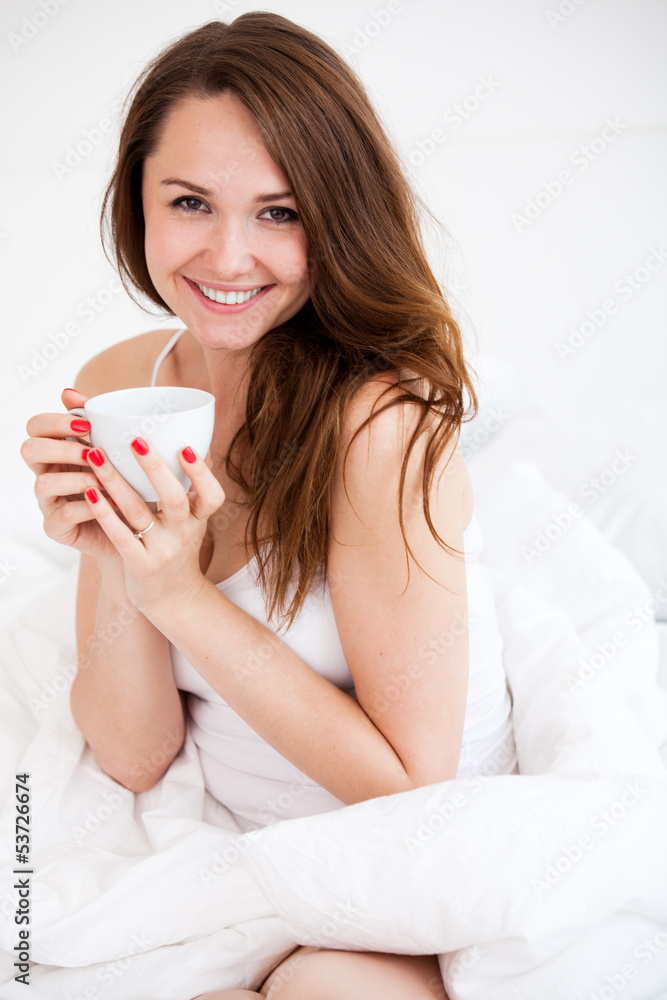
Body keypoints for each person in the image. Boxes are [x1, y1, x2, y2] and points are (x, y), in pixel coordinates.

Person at [20, 12, 517, 999]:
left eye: (279, 213)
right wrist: (110, 551)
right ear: (138, 204)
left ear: (336, 219)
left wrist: (181, 595)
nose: (228, 255)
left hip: (404, 857)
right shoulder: (125, 383)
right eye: (191, 202)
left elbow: (412, 788)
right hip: (231, 851)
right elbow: (132, 752)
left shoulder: (379, 423)